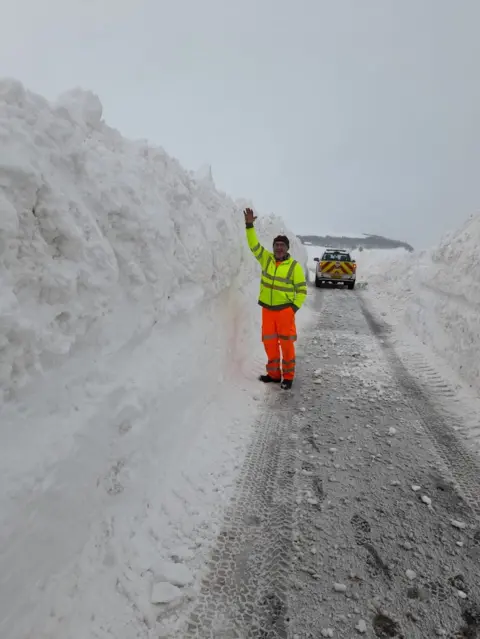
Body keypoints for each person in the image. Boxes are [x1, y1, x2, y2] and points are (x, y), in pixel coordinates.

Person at [244, 207, 307, 389]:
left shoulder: (294, 266)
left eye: (282, 245)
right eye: (276, 245)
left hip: (285, 312)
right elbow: (253, 245)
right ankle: (273, 374)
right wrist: (249, 225)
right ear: (273, 248)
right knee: (270, 343)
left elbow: (301, 290)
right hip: (267, 311)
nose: (279, 248)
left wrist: (293, 308)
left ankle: (288, 377)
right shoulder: (267, 259)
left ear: (287, 248)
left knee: (286, 346)